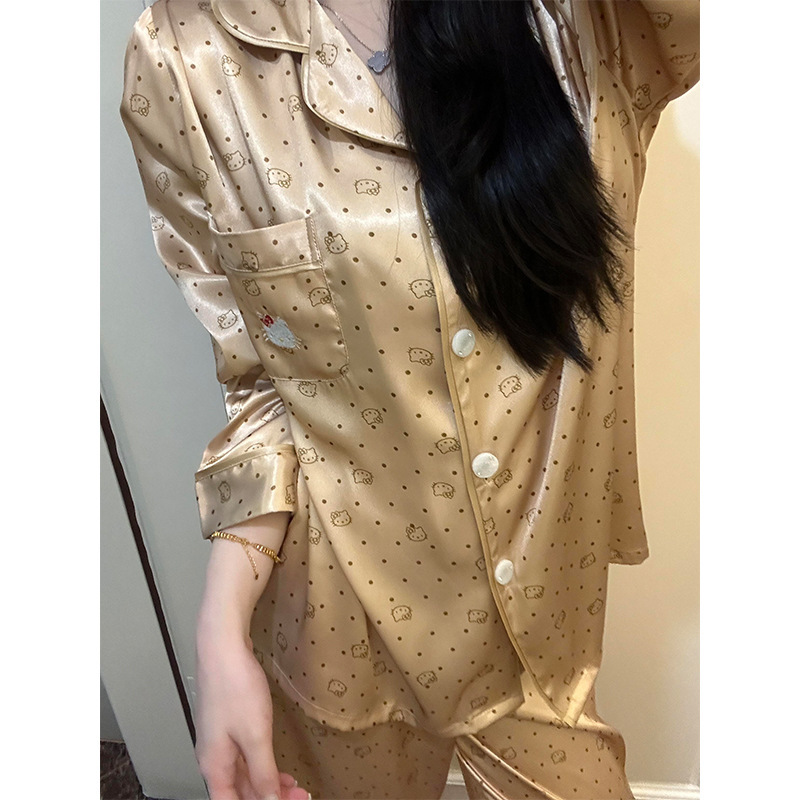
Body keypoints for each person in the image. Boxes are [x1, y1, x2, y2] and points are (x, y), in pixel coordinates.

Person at [120, 1, 700, 798]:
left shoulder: (587, 18)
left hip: (536, 623)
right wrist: (220, 633)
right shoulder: (184, 55)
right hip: (338, 628)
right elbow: (264, 388)